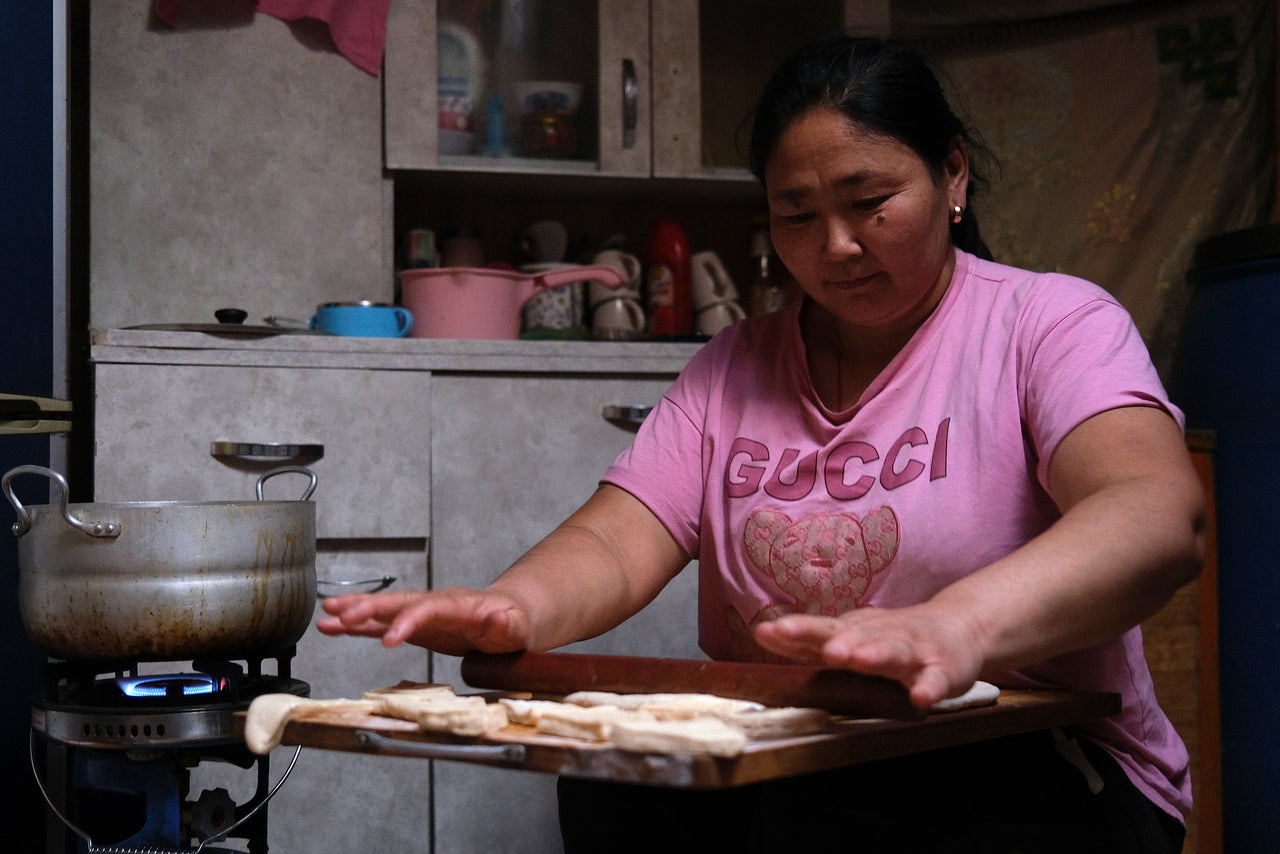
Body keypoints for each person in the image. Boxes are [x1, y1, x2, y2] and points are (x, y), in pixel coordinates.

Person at [319, 34, 1205, 853]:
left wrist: (955, 628)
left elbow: (1156, 515)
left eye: (870, 202)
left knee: (832, 815)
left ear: (953, 174)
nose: (838, 247)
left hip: (1050, 760)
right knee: (615, 785)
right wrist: (514, 607)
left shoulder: (1048, 324)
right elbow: (613, 540)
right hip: (818, 746)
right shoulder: (730, 368)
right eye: (797, 216)